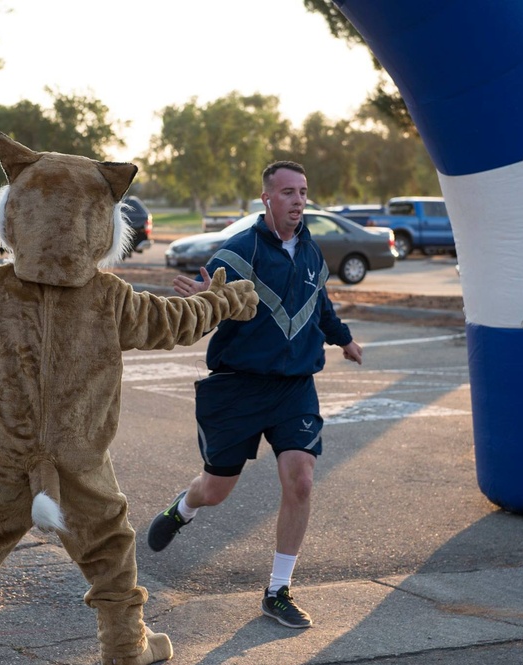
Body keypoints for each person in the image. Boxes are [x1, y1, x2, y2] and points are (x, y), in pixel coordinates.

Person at [147, 160, 364, 629]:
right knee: (216, 490)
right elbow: (211, 301)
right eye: (288, 192)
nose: (298, 200)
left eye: (303, 191)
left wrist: (343, 338)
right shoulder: (237, 254)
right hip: (239, 387)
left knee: (300, 479)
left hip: (293, 388)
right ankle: (183, 508)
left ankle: (278, 591)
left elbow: (320, 304)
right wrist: (201, 298)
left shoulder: (312, 253)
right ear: (267, 198)